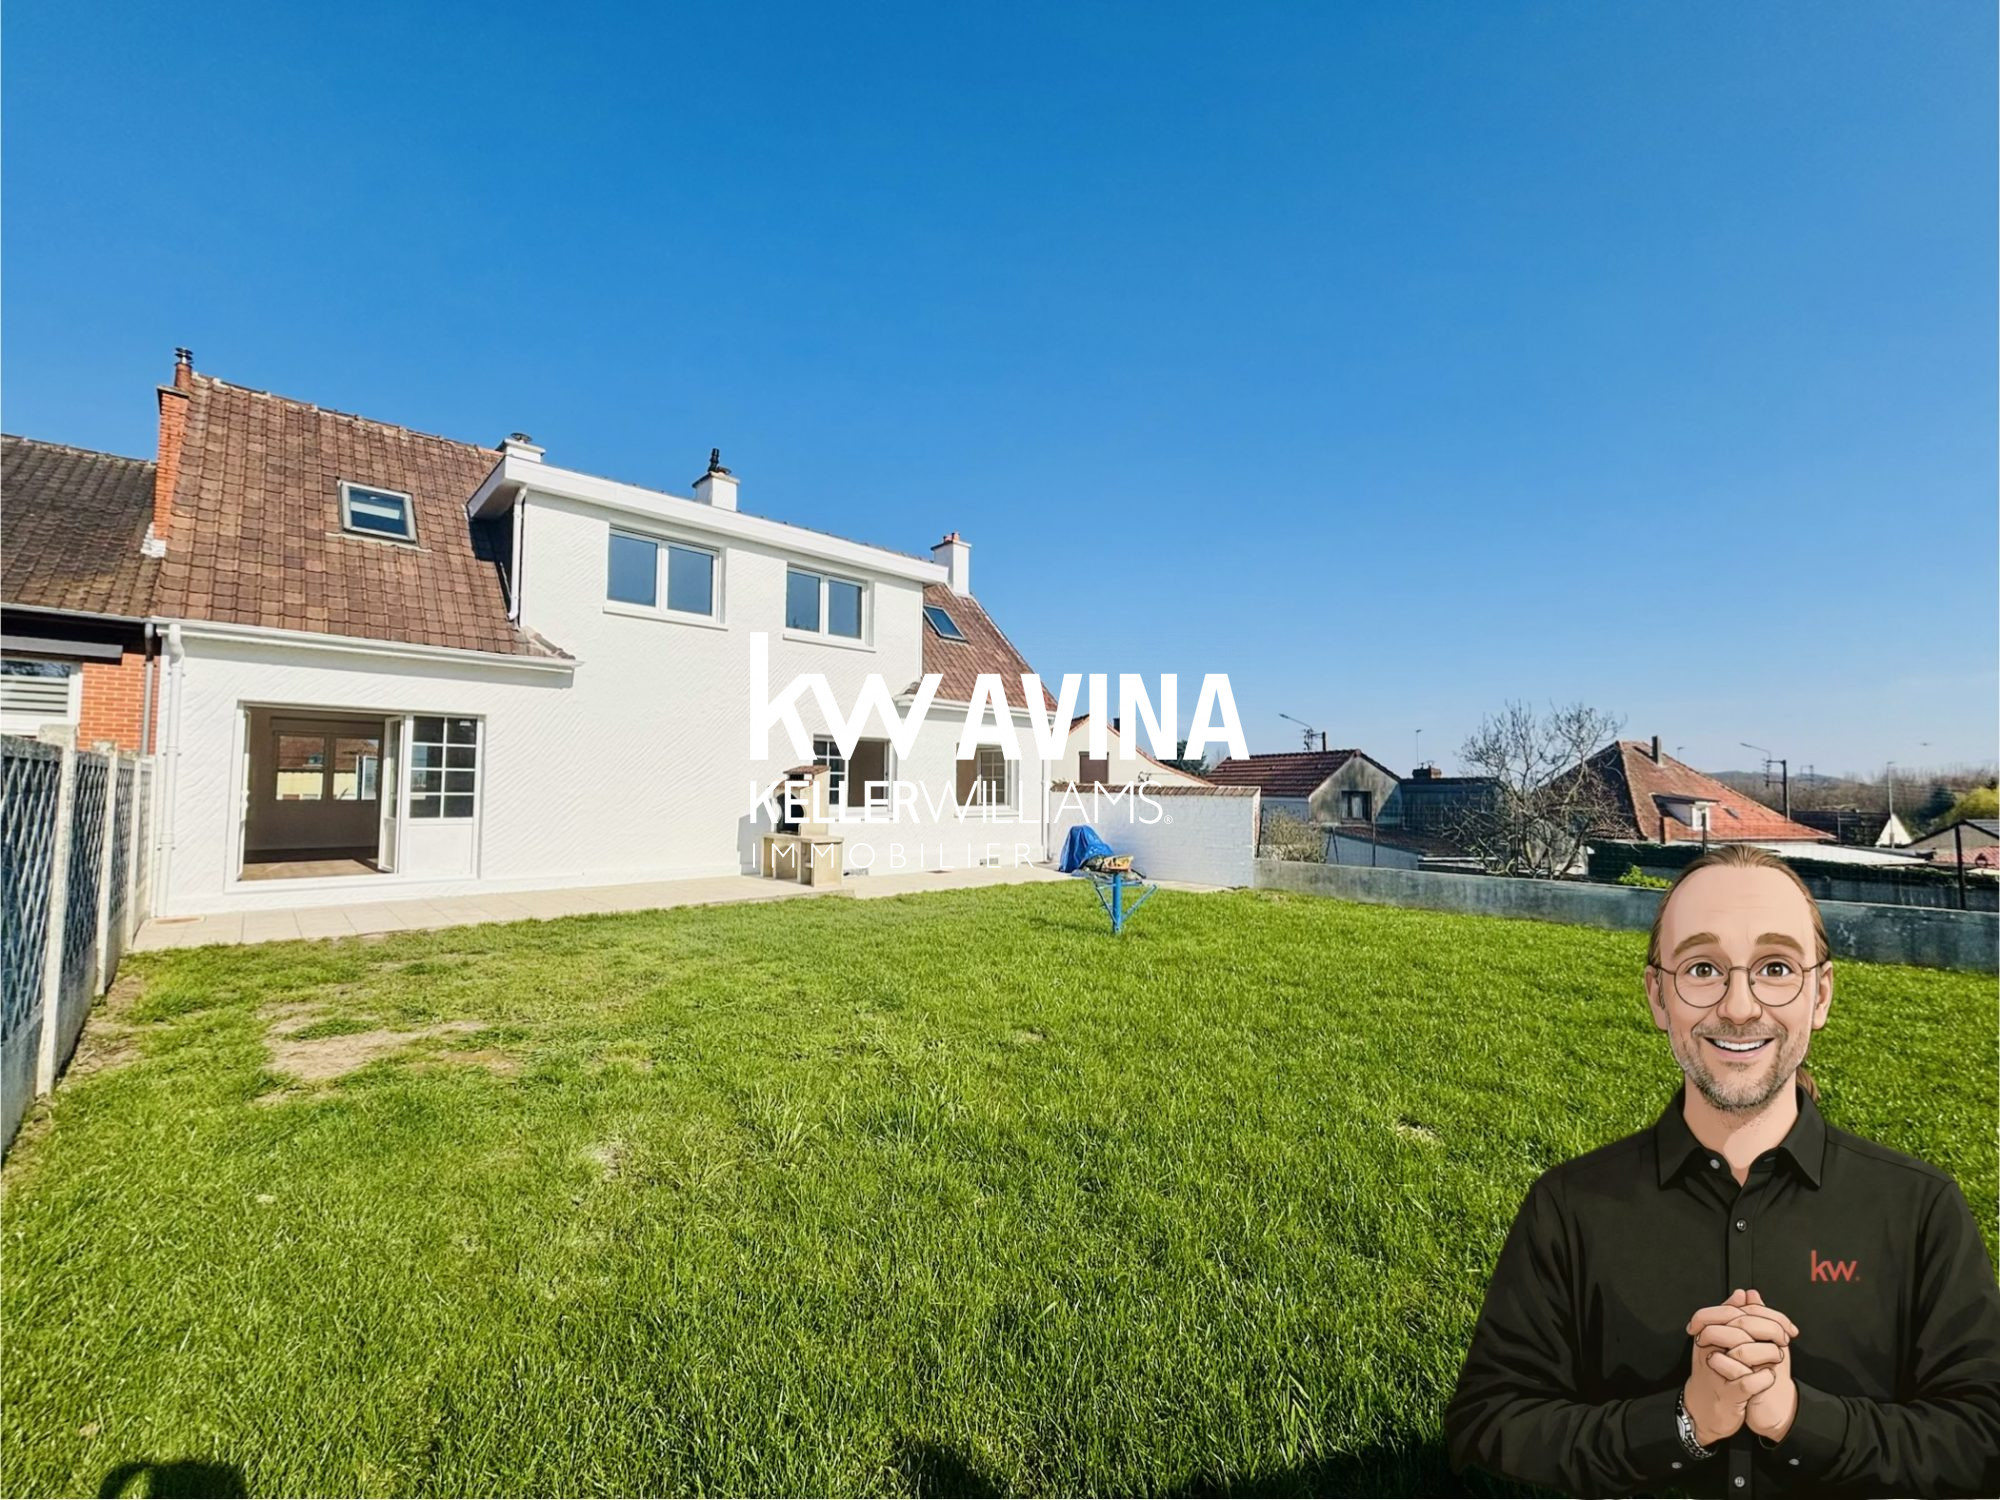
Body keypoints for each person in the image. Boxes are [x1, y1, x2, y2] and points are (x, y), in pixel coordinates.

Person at [1443, 843, 2000, 1498]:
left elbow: (1982, 1440)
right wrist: (1685, 1421)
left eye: (1775, 968)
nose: (1739, 1007)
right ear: (1658, 996)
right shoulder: (1569, 1208)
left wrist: (1797, 1418)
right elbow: (1487, 1424)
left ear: (1820, 995)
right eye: (1703, 968)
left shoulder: (1919, 1209)